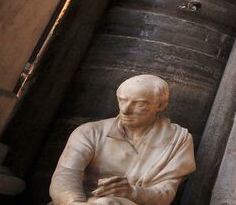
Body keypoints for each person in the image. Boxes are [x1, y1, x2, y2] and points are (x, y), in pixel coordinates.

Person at [50, 75, 196, 205]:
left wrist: (132, 193)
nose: (125, 109)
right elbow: (66, 174)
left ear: (160, 105)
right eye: (122, 100)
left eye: (139, 103)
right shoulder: (90, 132)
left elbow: (166, 193)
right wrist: (75, 203)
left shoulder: (176, 140)